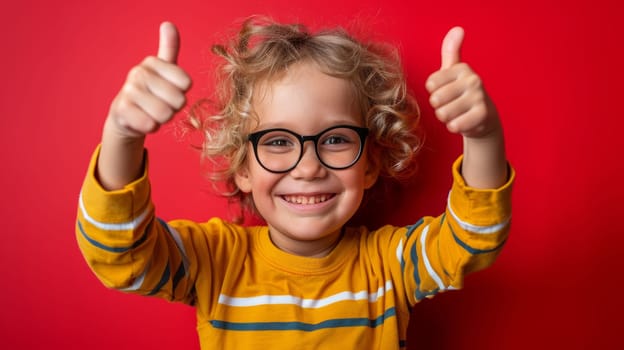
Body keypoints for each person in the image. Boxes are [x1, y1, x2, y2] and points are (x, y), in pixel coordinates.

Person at [76, 17, 514, 349]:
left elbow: (473, 239)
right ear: (242, 168)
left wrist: (483, 137)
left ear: (371, 162)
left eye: (337, 139)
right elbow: (119, 255)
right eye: (279, 141)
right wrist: (122, 136)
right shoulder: (214, 262)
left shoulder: (391, 264)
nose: (308, 167)